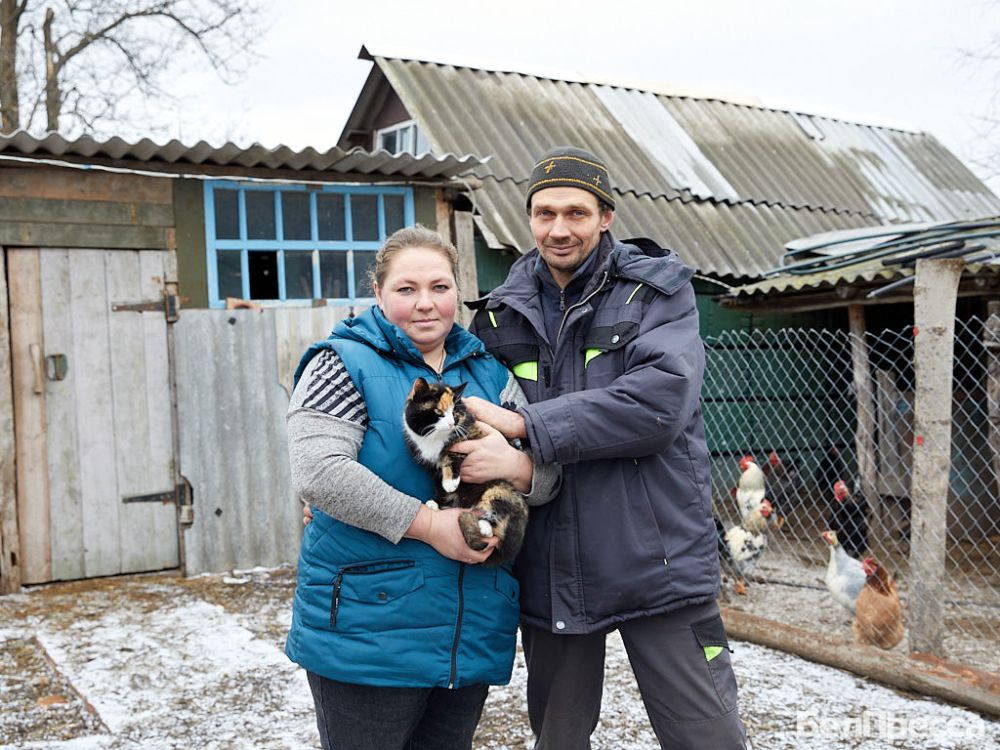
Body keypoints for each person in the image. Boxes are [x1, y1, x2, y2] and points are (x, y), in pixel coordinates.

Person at [461, 147, 749, 749]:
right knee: (559, 739)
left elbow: (658, 405)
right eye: (544, 214)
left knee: (708, 736)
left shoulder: (658, 293)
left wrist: (527, 430)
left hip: (656, 554)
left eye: (576, 212)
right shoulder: (497, 313)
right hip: (553, 562)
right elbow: (461, 418)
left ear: (606, 216)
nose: (558, 229)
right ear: (529, 219)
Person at [285, 226, 559, 750]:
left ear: (458, 291)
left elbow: (550, 474)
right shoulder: (342, 363)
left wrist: (518, 470)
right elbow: (320, 471)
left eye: (439, 287)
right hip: (371, 629)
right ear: (379, 293)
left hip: (470, 627)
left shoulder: (489, 374)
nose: (425, 304)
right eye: (406, 289)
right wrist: (432, 525)